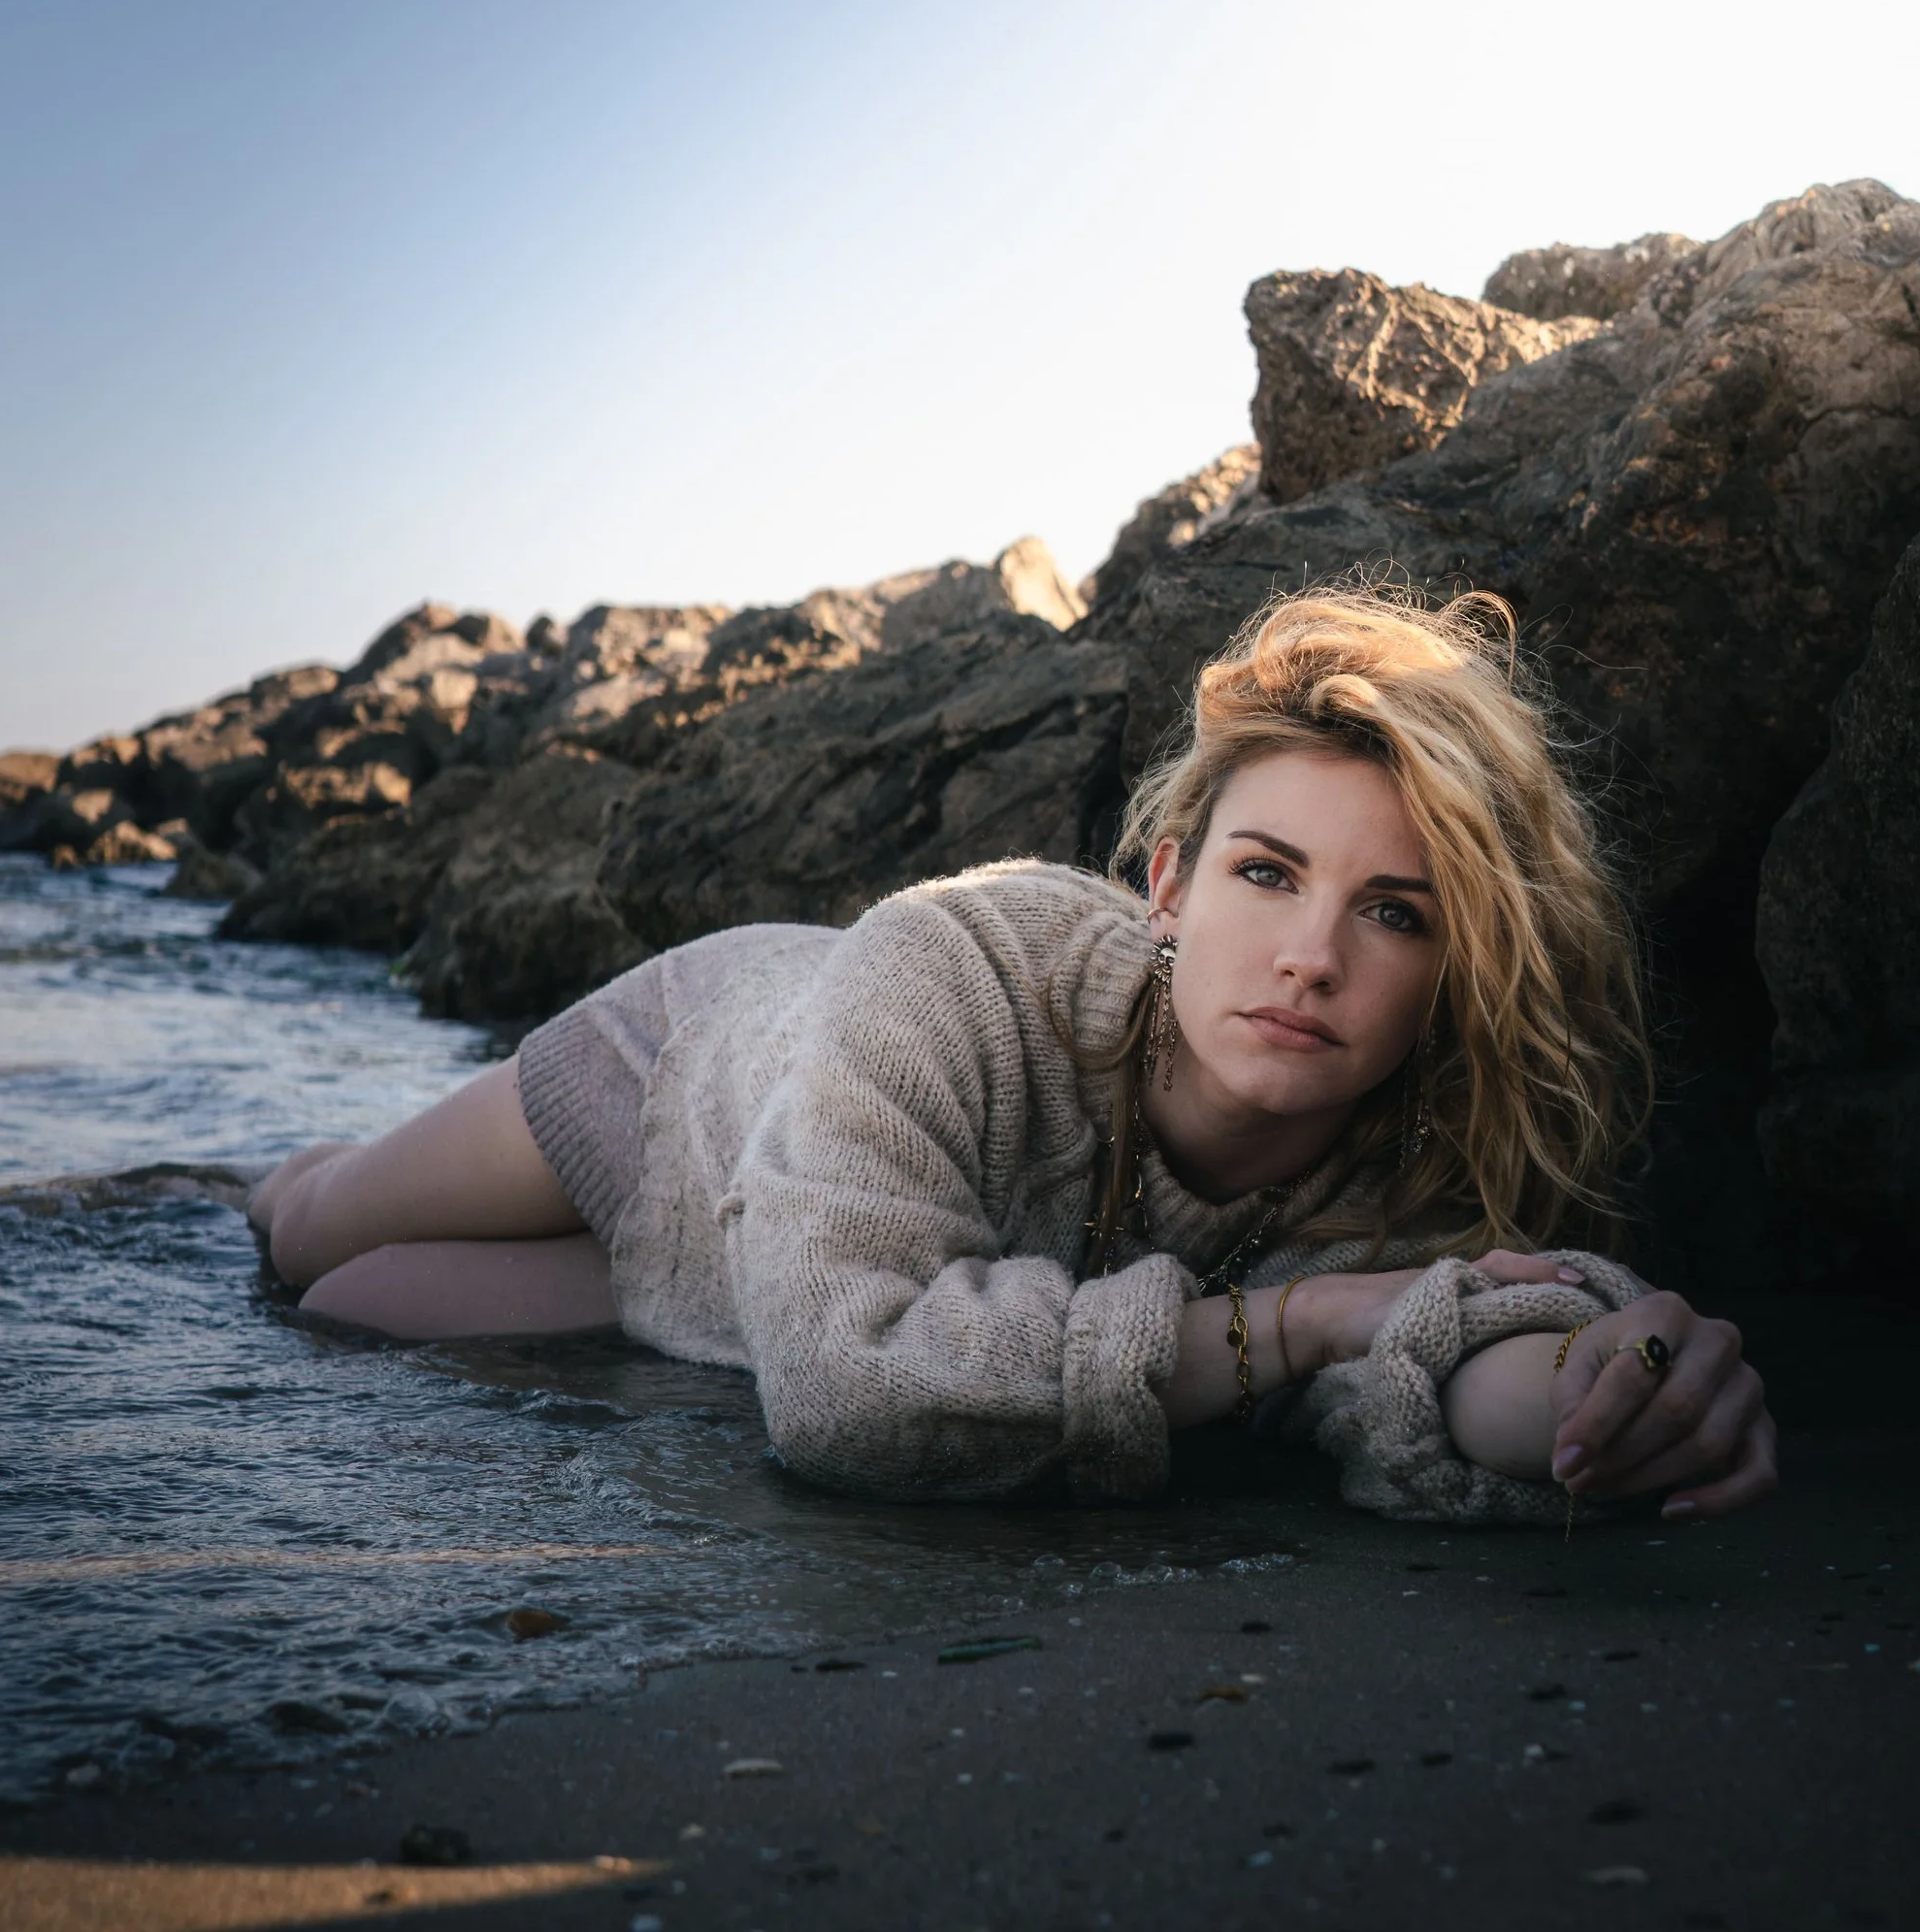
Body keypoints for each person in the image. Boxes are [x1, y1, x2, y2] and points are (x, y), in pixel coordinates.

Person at [248, 587, 1774, 1525]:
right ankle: (236, 1171)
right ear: (1170, 884)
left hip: (749, 1282)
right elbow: (856, 1394)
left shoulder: (1406, 1158)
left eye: (1395, 912)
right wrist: (1294, 1323)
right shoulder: (963, 955)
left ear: (1459, 968)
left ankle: (648, 1291)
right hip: (695, 1074)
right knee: (308, 1233)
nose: (1313, 956)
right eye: (1267, 874)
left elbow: (1439, 1361)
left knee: (360, 1307)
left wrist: (1608, 1388)